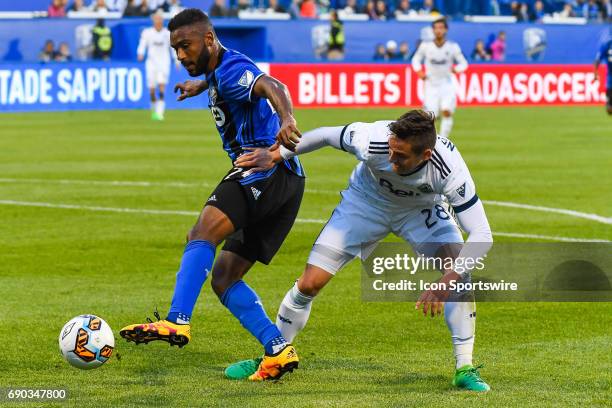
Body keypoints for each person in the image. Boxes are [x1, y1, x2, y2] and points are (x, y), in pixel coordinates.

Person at [226, 110, 493, 392]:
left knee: (459, 275)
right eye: (391, 150)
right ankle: (275, 354)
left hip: (420, 211)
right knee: (310, 283)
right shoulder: (374, 138)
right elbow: (326, 135)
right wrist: (278, 155)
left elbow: (482, 235)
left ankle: (464, 367)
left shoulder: (448, 168)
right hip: (365, 205)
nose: (391, 159)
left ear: (426, 155)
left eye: (401, 156)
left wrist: (446, 282)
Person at [119, 8, 305, 382]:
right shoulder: (221, 68)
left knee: (201, 234)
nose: (180, 56)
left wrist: (287, 119)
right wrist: (201, 85)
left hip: (262, 169)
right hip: (287, 182)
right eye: (175, 50)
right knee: (223, 277)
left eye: (185, 46)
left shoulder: (232, 69)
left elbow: (274, 86)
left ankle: (177, 321)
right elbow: (223, 77)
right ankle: (278, 350)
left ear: (207, 39)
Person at [411, 17, 467, 139]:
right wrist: (419, 71)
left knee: (447, 112)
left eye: (441, 28)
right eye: (436, 28)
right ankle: (432, 140)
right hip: (431, 85)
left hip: (446, 84)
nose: (438, 31)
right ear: (432, 30)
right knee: (431, 116)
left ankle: (443, 140)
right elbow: (415, 59)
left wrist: (456, 69)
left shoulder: (452, 47)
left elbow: (464, 63)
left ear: (446, 30)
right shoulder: (426, 46)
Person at [137, 12, 176, 120]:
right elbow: (142, 44)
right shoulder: (147, 32)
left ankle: (160, 112)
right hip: (151, 64)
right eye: (156, 20)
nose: (158, 22)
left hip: (164, 63)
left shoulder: (167, 33)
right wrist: (140, 53)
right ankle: (154, 110)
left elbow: (173, 48)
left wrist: (176, 60)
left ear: (162, 21)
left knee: (161, 86)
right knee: (152, 90)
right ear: (154, 21)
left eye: (160, 20)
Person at [594, 37, 612, 114]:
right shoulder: (607, 44)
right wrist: (595, 73)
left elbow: (597, 60)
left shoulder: (607, 44)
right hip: (610, 81)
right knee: (609, 109)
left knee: (609, 109)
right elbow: (597, 60)